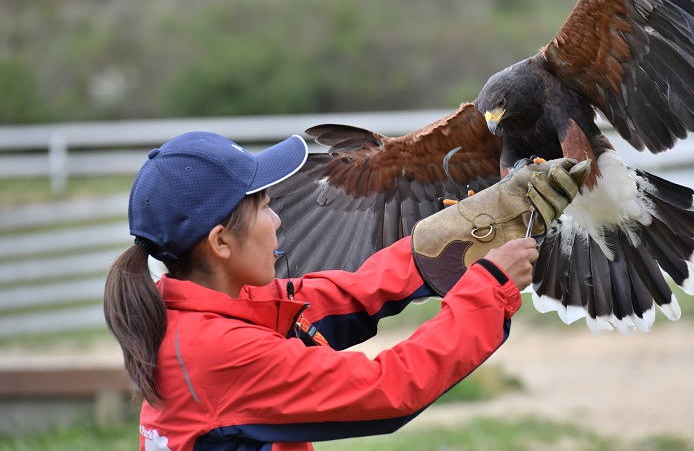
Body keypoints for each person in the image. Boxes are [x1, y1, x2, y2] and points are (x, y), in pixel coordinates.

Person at [104, 130, 586, 451]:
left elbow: (347, 295)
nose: (277, 221)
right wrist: (489, 289)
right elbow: (389, 390)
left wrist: (450, 237)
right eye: (266, 207)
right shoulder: (219, 352)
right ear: (220, 242)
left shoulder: (219, 310)